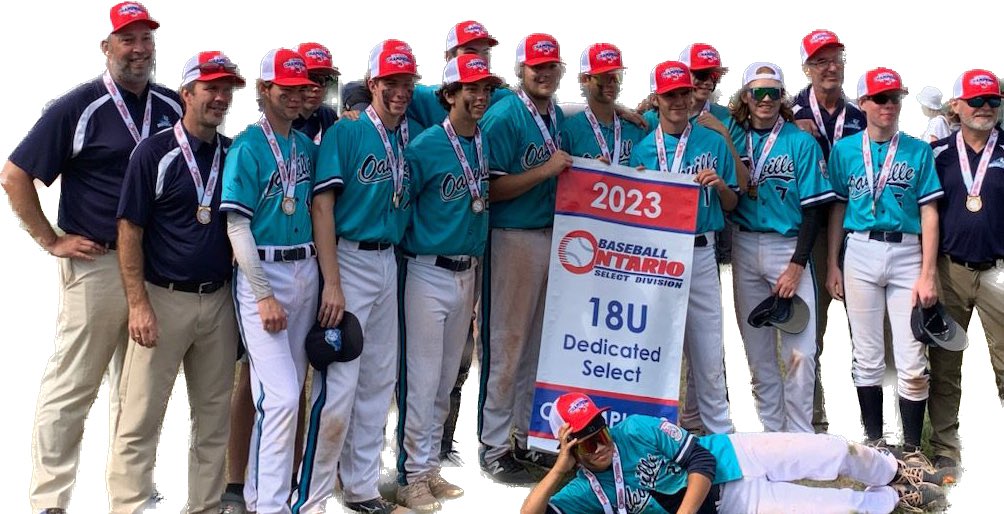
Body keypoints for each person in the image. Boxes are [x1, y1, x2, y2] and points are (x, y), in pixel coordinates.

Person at [0, 3, 181, 512]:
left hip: (155, 268)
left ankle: (131, 490)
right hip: (98, 261)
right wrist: (51, 240)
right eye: (128, 39)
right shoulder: (79, 106)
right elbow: (14, 176)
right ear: (107, 47)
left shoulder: (170, 106)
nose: (139, 49)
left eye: (146, 39)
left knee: (138, 387)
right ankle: (50, 498)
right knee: (73, 385)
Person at [108, 50, 244, 514]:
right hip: (163, 300)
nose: (220, 97)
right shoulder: (154, 151)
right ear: (186, 93)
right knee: (140, 418)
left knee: (212, 423)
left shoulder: (234, 153)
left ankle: (203, 507)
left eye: (227, 89)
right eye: (211, 88)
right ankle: (127, 505)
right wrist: (138, 303)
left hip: (219, 300)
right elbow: (129, 229)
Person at [221, 41, 340, 514]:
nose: (295, 96)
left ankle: (259, 496)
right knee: (283, 396)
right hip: (264, 270)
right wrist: (264, 293)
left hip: (304, 266)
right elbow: (236, 224)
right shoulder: (249, 145)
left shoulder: (302, 146)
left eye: (301, 88)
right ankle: (270, 503)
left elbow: (315, 211)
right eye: (284, 88)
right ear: (264, 88)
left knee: (285, 392)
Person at [521, 392, 947, 514]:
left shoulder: (632, 429)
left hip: (735, 455)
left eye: (599, 428)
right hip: (733, 505)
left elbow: (701, 461)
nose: (600, 442)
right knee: (835, 509)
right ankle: (893, 501)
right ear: (570, 447)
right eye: (585, 439)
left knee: (831, 451)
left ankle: (894, 469)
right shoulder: (579, 490)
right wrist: (560, 471)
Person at [315, 40, 423, 514]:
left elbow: (466, 93)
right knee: (338, 385)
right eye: (390, 82)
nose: (399, 91)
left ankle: (360, 489)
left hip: (388, 260)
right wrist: (332, 280)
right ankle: (313, 494)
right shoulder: (348, 130)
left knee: (379, 381)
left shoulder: (408, 134)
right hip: (350, 258)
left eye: (406, 83)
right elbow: (323, 205)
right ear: (372, 83)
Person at [394, 53, 501, 513]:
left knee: (443, 381)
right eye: (470, 89)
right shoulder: (424, 147)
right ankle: (409, 478)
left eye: (485, 90)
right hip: (426, 269)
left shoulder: (481, 142)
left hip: (466, 271)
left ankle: (428, 466)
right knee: (420, 380)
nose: (479, 97)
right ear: (449, 94)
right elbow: (400, 207)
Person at [826, 68, 943, 460]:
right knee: (867, 353)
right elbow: (839, 207)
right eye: (880, 98)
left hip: (907, 250)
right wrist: (832, 263)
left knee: (912, 358)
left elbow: (929, 212)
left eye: (894, 98)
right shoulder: (844, 150)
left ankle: (912, 450)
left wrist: (928, 273)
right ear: (863, 104)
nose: (889, 105)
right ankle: (875, 443)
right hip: (859, 249)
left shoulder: (917, 149)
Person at [478, 32, 572, 483]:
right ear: (520, 69)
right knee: (506, 345)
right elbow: (489, 189)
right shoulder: (504, 115)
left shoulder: (552, 113)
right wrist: (545, 171)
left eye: (551, 65)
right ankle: (493, 446)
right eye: (537, 65)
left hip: (547, 235)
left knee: (535, 346)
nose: (544, 72)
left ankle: (525, 438)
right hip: (511, 236)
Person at [629, 60, 739, 436]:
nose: (678, 101)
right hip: (657, 257)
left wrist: (721, 186)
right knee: (654, 348)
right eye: (670, 94)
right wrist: (636, 189)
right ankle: (656, 434)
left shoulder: (711, 141)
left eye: (684, 93)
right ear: (657, 99)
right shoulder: (643, 150)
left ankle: (720, 434)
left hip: (701, 248)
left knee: (708, 348)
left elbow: (732, 204)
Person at [729, 62, 835, 433]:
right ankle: (774, 435)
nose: (766, 100)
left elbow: (814, 210)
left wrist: (797, 265)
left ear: (782, 98)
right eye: (758, 92)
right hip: (743, 245)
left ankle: (801, 435)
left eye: (774, 92)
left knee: (801, 352)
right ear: (745, 97)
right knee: (759, 355)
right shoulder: (731, 135)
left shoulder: (799, 141)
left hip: (788, 246)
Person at [790, 29, 868, 434]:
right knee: (809, 332)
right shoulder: (787, 111)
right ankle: (814, 423)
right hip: (807, 230)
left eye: (836, 57)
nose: (830, 67)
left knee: (869, 333)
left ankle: (877, 431)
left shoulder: (860, 115)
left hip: (856, 229)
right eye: (820, 61)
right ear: (806, 68)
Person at [927, 69, 1004, 476]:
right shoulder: (936, 153)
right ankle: (946, 449)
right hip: (949, 270)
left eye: (992, 100)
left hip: (999, 271)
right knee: (944, 363)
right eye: (976, 100)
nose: (986, 107)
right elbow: (925, 217)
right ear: (956, 106)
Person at [560, 43, 646, 166]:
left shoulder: (635, 130)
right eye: (603, 77)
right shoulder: (569, 130)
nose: (611, 83)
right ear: (585, 79)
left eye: (616, 77)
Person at [295, 41, 341, 143]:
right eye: (310, 79)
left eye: (322, 80)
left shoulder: (328, 116)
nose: (316, 87)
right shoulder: (279, 122)